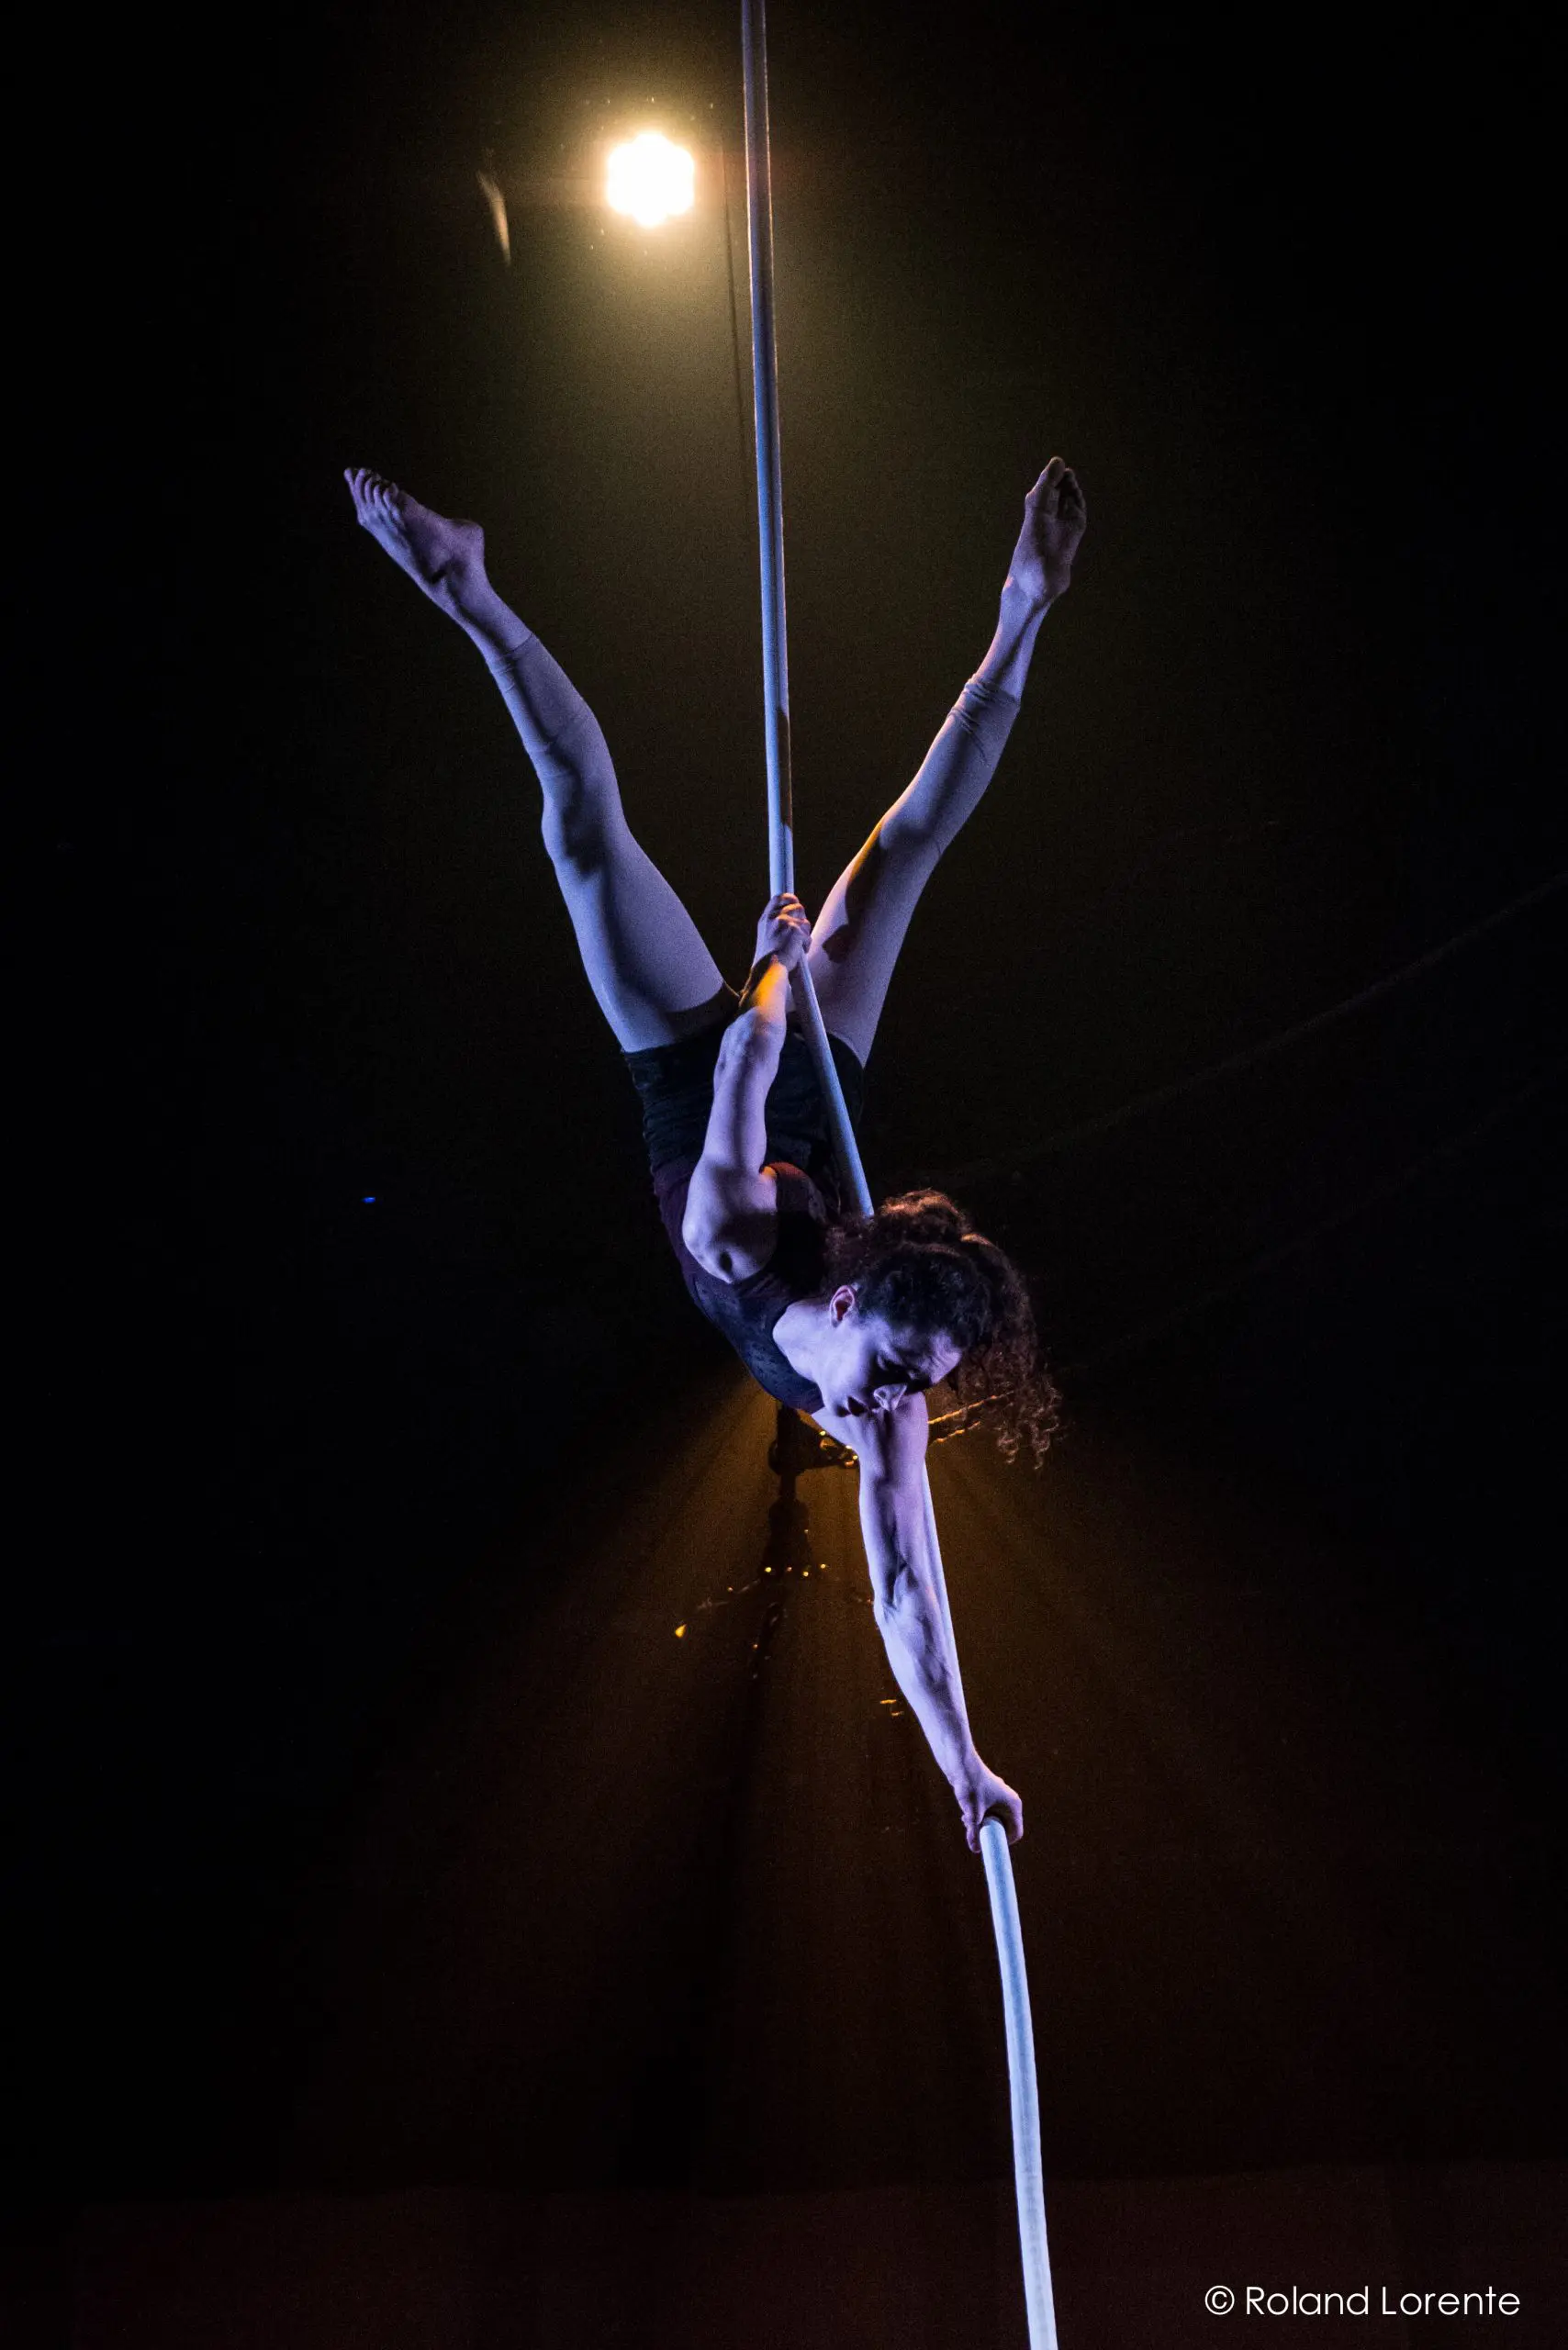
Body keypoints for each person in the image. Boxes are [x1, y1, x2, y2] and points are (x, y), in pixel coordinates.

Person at [346, 456, 1087, 1847]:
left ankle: (467, 592)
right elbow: (750, 1069)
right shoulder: (770, 1258)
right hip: (761, 1077)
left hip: (696, 1100)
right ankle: (1028, 606)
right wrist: (776, 966)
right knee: (901, 849)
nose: (891, 1412)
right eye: (893, 1381)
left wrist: (961, 1768)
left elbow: (905, 1592)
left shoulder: (863, 1380)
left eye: (909, 1395)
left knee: (578, 832)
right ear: (858, 1300)